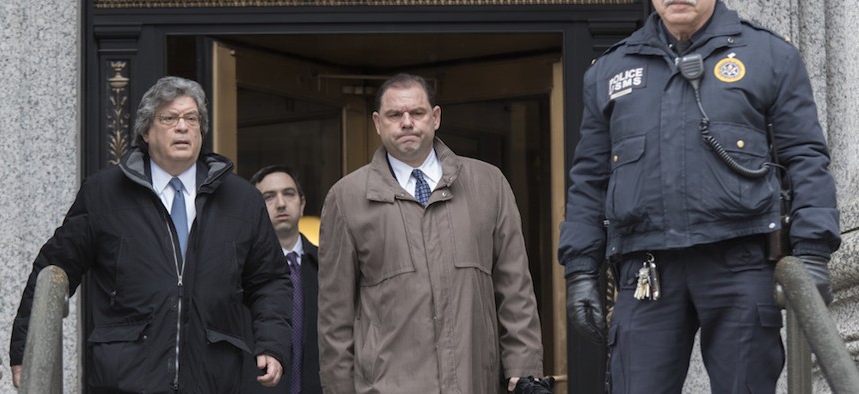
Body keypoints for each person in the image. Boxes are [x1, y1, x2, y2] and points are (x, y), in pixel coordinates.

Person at [558, 0, 841, 392]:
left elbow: (805, 158)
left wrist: (812, 251)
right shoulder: (610, 70)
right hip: (646, 270)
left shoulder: (770, 56)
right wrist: (581, 269)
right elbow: (589, 179)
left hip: (742, 261)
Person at [9, 76, 291, 392]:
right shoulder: (103, 193)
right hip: (126, 379)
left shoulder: (242, 199)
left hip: (212, 378)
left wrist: (272, 343)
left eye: (191, 119)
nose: (182, 127)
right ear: (146, 131)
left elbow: (269, 280)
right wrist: (26, 351)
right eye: (169, 118)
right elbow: (53, 270)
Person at [318, 73, 544, 393]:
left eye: (417, 113)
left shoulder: (488, 184)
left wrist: (524, 367)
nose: (407, 122)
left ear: (435, 118)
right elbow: (334, 316)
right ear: (377, 123)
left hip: (473, 381)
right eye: (395, 115)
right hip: (388, 385)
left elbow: (515, 287)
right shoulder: (347, 198)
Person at [246, 165, 322, 394]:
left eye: (288, 194)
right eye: (268, 197)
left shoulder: (327, 265)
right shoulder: (241, 271)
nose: (280, 203)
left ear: (302, 203)